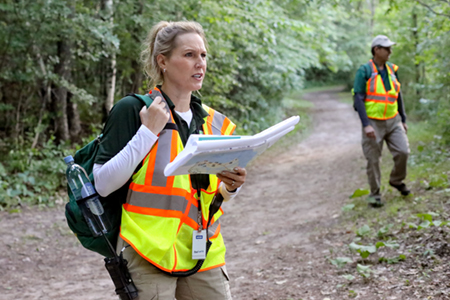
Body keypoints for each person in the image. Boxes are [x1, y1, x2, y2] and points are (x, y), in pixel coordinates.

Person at [92, 21, 246, 299]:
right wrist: (147, 132)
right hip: (147, 250)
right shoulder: (134, 109)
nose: (199, 63)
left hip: (203, 249)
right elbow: (102, 184)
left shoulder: (213, 122)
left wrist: (232, 187)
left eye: (203, 55)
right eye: (189, 55)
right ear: (162, 61)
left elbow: (207, 194)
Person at [353, 35, 410, 207]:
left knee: (403, 152)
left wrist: (403, 119)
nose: (390, 51)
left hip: (393, 121)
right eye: (386, 48)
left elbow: (397, 95)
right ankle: (375, 194)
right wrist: (366, 125)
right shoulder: (364, 71)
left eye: (390, 48)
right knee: (373, 159)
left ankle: (396, 180)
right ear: (376, 50)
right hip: (373, 123)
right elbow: (358, 99)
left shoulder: (393, 69)